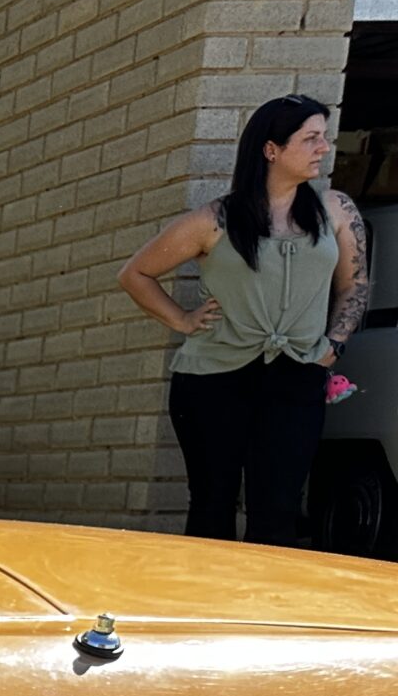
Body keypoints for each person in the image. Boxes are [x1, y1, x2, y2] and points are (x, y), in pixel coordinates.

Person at [119, 95, 370, 546]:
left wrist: (336, 341)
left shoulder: (335, 210)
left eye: (324, 138)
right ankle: (204, 610)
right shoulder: (215, 219)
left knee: (278, 511)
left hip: (297, 376)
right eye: (311, 138)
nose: (323, 148)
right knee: (211, 505)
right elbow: (135, 273)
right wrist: (182, 320)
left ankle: (258, 613)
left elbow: (354, 284)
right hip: (214, 379)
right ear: (271, 149)